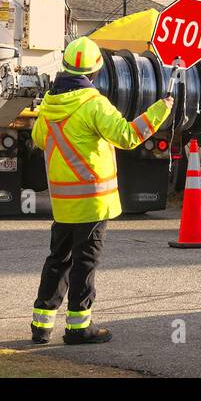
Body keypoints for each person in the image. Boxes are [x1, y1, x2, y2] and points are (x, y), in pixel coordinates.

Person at [29, 37, 173, 345]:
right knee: (85, 263)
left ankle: (41, 325)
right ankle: (79, 328)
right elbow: (127, 136)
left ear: (65, 68)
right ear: (95, 72)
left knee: (59, 259)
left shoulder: (48, 107)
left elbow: (40, 139)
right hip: (93, 201)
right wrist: (160, 110)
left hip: (64, 202)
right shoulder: (95, 105)